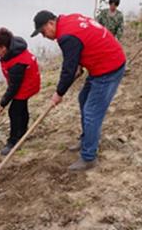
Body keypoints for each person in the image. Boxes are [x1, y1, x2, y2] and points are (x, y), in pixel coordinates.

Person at [31, 11, 126, 171]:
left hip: (108, 68)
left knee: (91, 112)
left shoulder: (66, 36)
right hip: (101, 64)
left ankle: (89, 157)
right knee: (83, 99)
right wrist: (79, 66)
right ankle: (87, 139)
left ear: (50, 24)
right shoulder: (69, 19)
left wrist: (58, 94)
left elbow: (68, 70)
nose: (44, 36)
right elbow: (82, 46)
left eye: (43, 32)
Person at [0, 27, 41, 155]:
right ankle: (23, 133)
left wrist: (3, 102)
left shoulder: (17, 64)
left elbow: (14, 87)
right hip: (25, 82)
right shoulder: (12, 49)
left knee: (14, 111)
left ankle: (13, 142)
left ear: (4, 48)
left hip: (26, 85)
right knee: (21, 109)